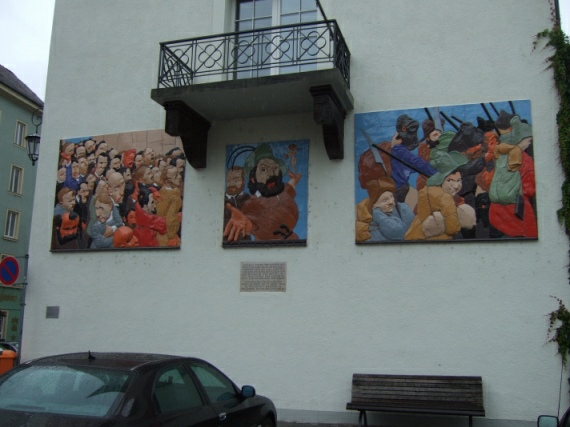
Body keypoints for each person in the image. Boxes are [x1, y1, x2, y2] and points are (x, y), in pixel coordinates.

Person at [224, 143, 301, 241]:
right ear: (253, 179)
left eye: (275, 168)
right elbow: (253, 224)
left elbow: (289, 189)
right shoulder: (250, 204)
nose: (271, 174)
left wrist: (295, 179)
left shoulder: (281, 193)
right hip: (267, 250)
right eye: (264, 169)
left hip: (294, 245)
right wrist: (247, 224)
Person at [405, 151, 476, 240]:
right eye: (450, 180)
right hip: (438, 242)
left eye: (458, 180)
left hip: (415, 236)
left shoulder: (425, 191)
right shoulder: (446, 198)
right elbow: (452, 229)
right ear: (441, 179)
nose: (456, 186)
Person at [488, 116, 537, 237]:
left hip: (495, 213)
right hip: (517, 214)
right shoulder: (525, 160)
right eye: (528, 140)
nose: (529, 144)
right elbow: (529, 190)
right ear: (520, 139)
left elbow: (491, 179)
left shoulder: (501, 155)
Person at [356, 177, 414, 242]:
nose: (391, 202)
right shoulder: (366, 222)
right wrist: (380, 217)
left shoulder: (403, 209)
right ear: (374, 205)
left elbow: (410, 234)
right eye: (384, 200)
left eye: (391, 196)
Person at [156, 165, 183, 247]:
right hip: (169, 235)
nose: (180, 177)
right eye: (176, 176)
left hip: (161, 233)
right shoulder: (175, 193)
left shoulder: (162, 190)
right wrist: (172, 237)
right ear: (167, 181)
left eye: (178, 174)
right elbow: (171, 217)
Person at [223, 166, 251, 241]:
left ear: (243, 181)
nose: (231, 184)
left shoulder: (249, 199)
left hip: (246, 244)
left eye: (236, 180)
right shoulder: (220, 201)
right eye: (228, 180)